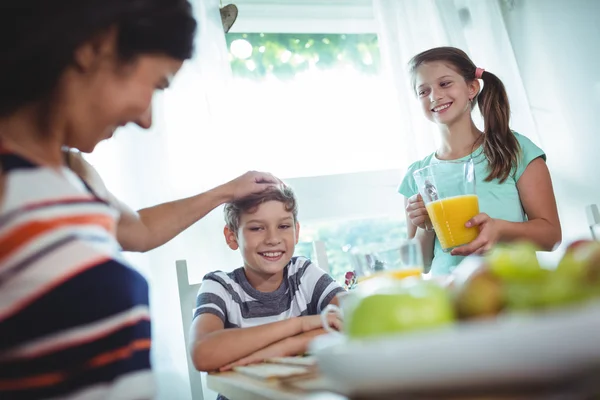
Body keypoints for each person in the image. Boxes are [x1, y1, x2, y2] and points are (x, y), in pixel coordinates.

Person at [0, 1, 280, 399]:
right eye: (156, 84)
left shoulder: (74, 173)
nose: (147, 118)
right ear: (94, 47)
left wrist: (225, 190)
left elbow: (142, 230)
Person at [398, 46, 561, 275]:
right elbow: (418, 266)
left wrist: (500, 229)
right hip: (450, 302)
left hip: (515, 294)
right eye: (423, 91)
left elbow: (551, 237)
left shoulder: (514, 149)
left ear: (472, 87)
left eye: (445, 84)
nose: (434, 96)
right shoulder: (418, 174)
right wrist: (426, 227)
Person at [189, 186, 344, 378]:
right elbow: (202, 353)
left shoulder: (302, 273)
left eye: (283, 226)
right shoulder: (220, 286)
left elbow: (355, 319)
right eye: (256, 228)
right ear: (232, 236)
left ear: (296, 231)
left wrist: (288, 346)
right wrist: (300, 325)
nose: (273, 239)